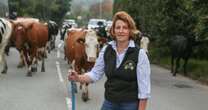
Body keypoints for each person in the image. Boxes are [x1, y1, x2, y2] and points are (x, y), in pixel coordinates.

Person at [68, 11, 151, 110]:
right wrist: (78, 77)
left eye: (125, 28)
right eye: (118, 28)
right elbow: (95, 73)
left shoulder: (139, 54)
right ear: (113, 30)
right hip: (110, 103)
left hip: (129, 104)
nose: (121, 31)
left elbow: (144, 90)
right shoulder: (107, 49)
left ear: (130, 31)